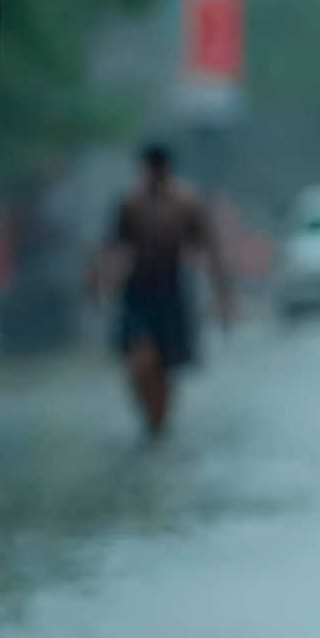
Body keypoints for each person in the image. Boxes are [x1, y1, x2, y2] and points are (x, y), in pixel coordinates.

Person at [97, 143, 231, 437]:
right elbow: (112, 247)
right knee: (141, 360)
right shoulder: (131, 204)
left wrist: (223, 298)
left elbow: (210, 249)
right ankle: (149, 414)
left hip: (171, 290)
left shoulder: (185, 203)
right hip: (138, 291)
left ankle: (159, 423)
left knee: (166, 365)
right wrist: (101, 285)